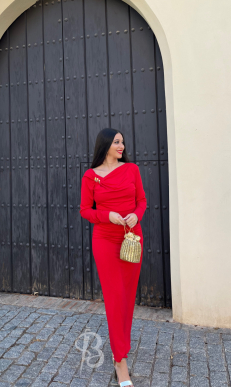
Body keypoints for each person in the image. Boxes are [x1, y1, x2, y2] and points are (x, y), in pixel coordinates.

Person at [80, 127, 147, 387]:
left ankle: (120, 349)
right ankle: (121, 362)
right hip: (105, 240)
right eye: (116, 142)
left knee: (127, 297)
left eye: (122, 142)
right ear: (105, 145)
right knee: (115, 297)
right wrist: (106, 215)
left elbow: (141, 201)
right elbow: (85, 210)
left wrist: (136, 215)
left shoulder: (132, 170)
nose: (121, 146)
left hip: (132, 238)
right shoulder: (90, 176)